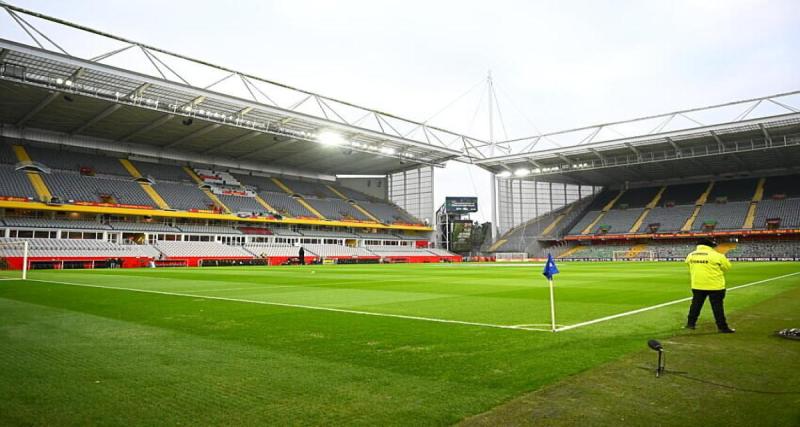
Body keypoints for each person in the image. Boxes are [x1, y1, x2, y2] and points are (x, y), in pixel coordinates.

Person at [685, 238, 735, 333]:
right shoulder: (717, 255)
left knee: (695, 305)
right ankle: (722, 327)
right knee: (717, 308)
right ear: (710, 246)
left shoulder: (691, 255)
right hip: (715, 286)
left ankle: (690, 324)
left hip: (697, 285)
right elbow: (727, 267)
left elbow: (687, 263)